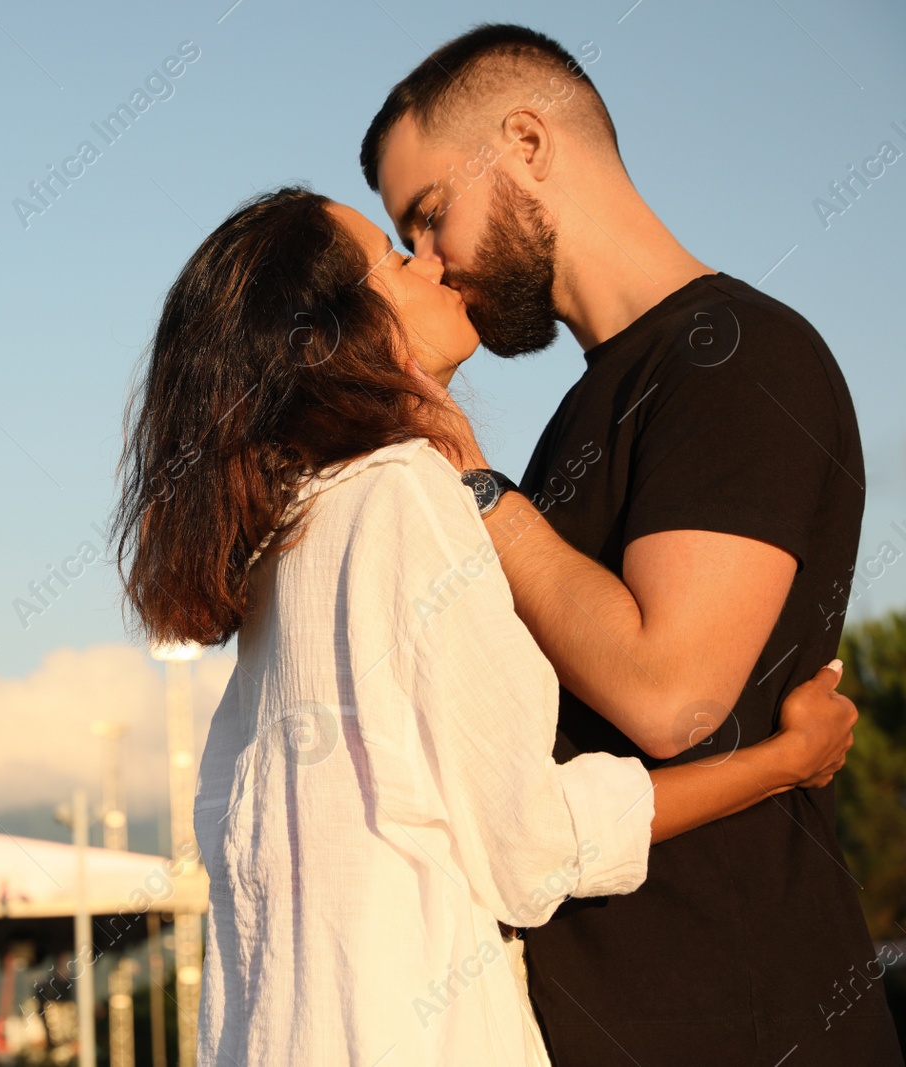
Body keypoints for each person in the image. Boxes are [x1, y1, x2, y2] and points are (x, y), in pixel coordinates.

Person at [112, 185, 858, 1066]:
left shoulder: (284, 550)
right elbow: (532, 844)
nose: (428, 260)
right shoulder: (401, 496)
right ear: (337, 331)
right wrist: (781, 763)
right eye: (395, 257)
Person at [360, 23, 902, 1066]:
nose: (430, 263)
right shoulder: (586, 408)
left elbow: (671, 692)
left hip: (746, 1017)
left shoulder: (738, 358)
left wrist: (472, 478)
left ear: (523, 142)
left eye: (430, 218)